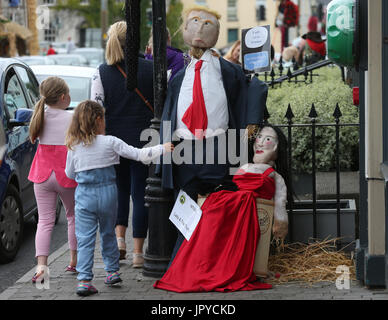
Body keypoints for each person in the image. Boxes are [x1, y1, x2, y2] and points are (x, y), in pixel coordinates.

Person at [157, 5, 268, 265]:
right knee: (184, 208)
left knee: (222, 206)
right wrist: (164, 151)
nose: (201, 27)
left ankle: (220, 259)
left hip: (220, 149)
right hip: (184, 150)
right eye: (194, 22)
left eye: (207, 23)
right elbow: (168, 112)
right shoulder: (178, 78)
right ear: (185, 29)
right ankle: (184, 261)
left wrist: (250, 128)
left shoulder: (228, 72)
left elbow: (252, 90)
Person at [154, 125, 289, 292]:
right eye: (259, 138)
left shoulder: (275, 176)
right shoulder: (244, 167)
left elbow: (280, 202)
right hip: (232, 204)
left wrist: (280, 223)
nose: (260, 142)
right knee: (211, 212)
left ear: (277, 147)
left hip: (247, 210)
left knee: (222, 206)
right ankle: (203, 264)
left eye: (267, 139)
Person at [65, 100, 174, 296]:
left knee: (85, 239)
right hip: (108, 192)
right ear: (99, 120)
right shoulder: (111, 142)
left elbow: (69, 174)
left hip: (84, 195)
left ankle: (84, 280)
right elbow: (139, 154)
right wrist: (162, 148)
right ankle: (112, 271)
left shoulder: (74, 146)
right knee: (108, 233)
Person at [91, 21, 154, 267]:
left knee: (119, 191)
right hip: (145, 140)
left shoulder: (101, 72)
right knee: (140, 193)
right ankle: (139, 252)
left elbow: (95, 109)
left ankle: (120, 242)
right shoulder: (151, 69)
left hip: (113, 140)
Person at [28, 77, 77, 284]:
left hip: (42, 174)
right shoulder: (72, 118)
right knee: (73, 216)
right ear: (64, 97)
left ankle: (41, 269)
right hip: (66, 173)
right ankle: (74, 261)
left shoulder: (39, 116)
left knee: (44, 221)